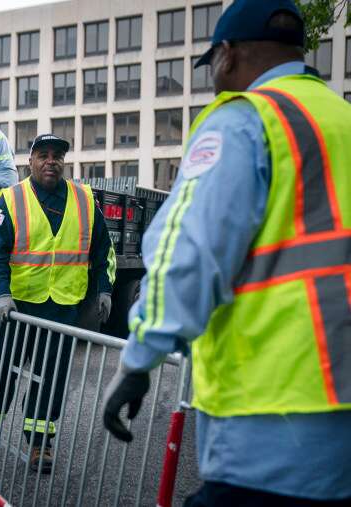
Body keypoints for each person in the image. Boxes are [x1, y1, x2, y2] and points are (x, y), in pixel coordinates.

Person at [101, 1, 351, 505]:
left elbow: (187, 254)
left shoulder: (243, 120)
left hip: (273, 400)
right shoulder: (340, 118)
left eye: (211, 63)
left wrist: (138, 360)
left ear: (228, 55)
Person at [0, 134, 116, 473]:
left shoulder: (84, 199)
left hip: (62, 305)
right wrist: (1, 293)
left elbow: (103, 249)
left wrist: (105, 288)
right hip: (16, 305)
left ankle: (39, 441)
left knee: (51, 375)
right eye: (44, 155)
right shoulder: (12, 198)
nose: (51, 161)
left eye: (57, 156)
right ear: (30, 162)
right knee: (0, 368)